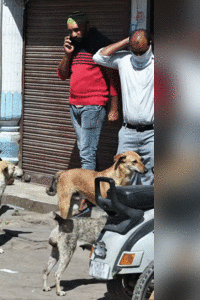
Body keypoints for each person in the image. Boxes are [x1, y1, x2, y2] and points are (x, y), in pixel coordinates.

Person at [57, 11, 119, 215]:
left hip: (93, 105)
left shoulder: (99, 46)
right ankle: (97, 193)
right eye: (70, 31)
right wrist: (67, 54)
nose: (73, 34)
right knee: (88, 153)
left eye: (76, 29)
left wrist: (114, 107)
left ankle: (86, 203)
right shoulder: (73, 48)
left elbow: (112, 77)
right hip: (74, 105)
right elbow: (62, 75)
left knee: (86, 153)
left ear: (86, 26)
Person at [93, 29, 154, 185]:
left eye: (142, 51)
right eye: (135, 51)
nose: (139, 56)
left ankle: (145, 209)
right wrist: (128, 40)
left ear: (151, 45)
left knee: (149, 177)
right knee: (121, 175)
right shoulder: (124, 61)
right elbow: (99, 56)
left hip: (152, 134)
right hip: (128, 133)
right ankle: (124, 209)